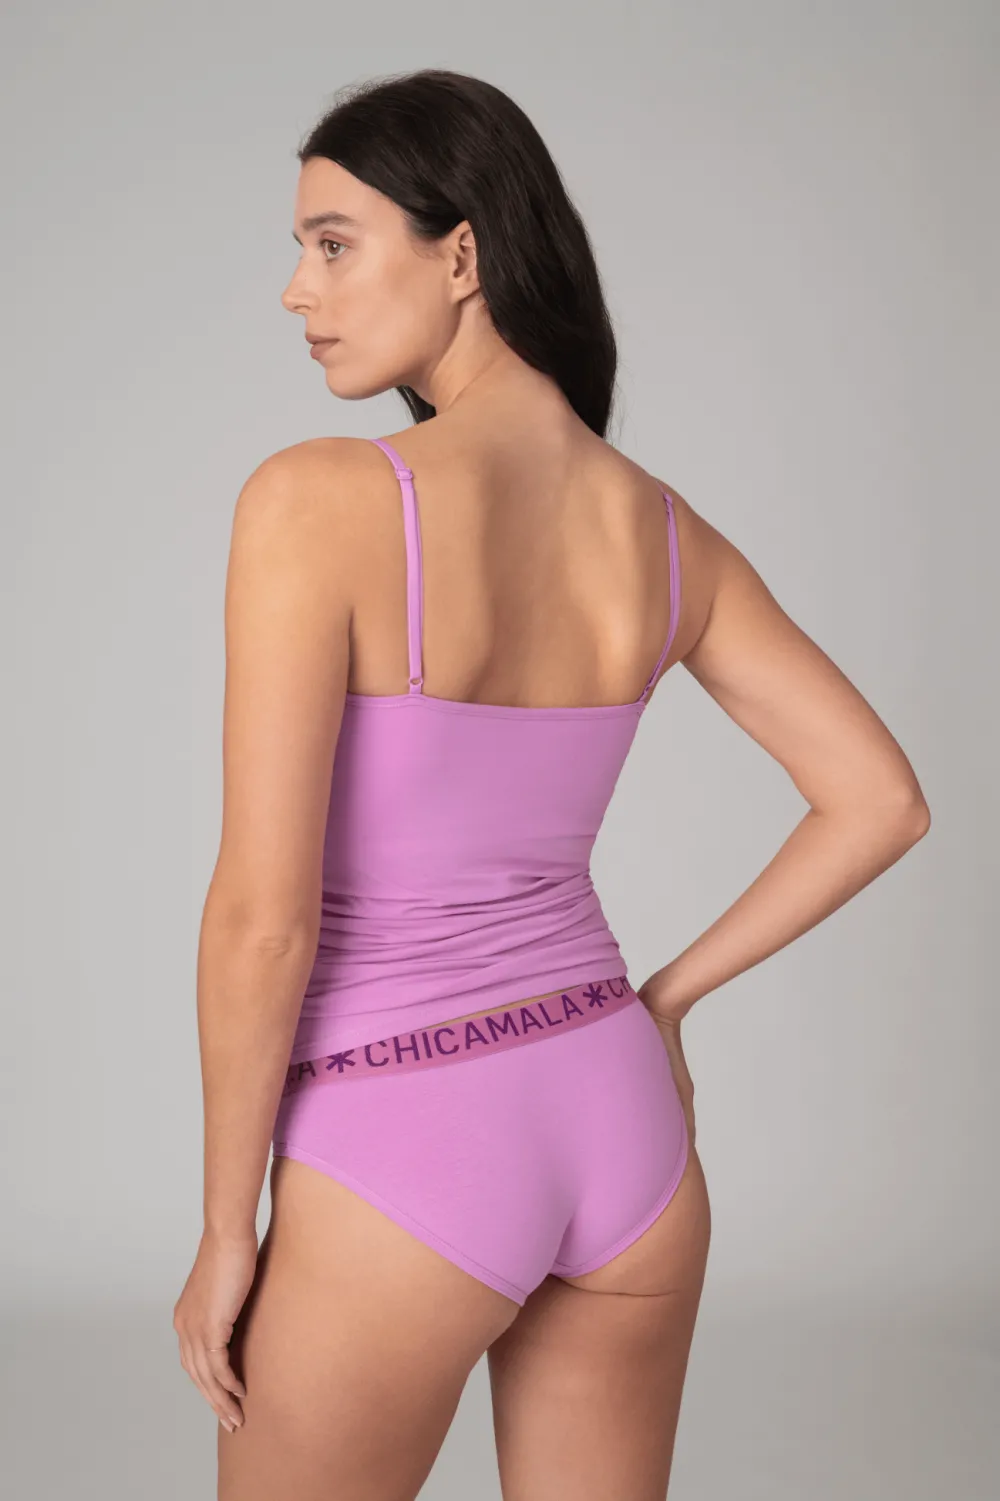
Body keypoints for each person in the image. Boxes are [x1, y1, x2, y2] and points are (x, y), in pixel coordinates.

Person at [172, 68, 931, 1501]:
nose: (297, 289)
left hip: (404, 1132)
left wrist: (225, 1229)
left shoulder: (317, 499)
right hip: (618, 1121)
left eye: (333, 242)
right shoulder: (662, 532)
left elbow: (263, 922)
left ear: (460, 254)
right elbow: (881, 797)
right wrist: (665, 1003)